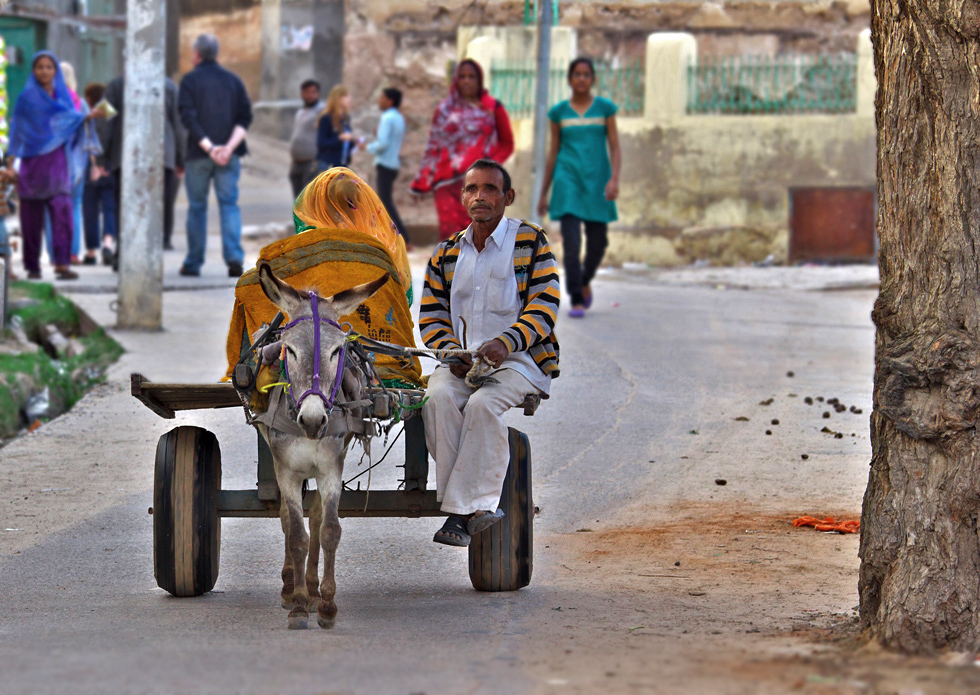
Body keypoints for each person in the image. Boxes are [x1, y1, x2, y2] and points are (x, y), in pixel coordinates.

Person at [420, 159, 560, 546]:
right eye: (471, 189)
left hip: (520, 361)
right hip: (462, 363)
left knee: (483, 406)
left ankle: (462, 513)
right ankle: (472, 509)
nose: (479, 196)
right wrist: (451, 352)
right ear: (463, 196)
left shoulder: (530, 241)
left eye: (490, 189)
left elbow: (545, 306)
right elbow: (431, 317)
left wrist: (507, 342)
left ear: (507, 197)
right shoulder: (446, 252)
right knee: (437, 399)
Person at [537, 57, 621, 318]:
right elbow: (553, 153)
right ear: (570, 78)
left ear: (592, 79)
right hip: (568, 180)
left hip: (597, 181)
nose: (582, 79)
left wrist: (614, 179)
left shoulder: (605, 109)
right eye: (577, 74)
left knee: (598, 243)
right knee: (572, 244)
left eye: (586, 74)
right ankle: (576, 298)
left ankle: (584, 281)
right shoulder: (559, 112)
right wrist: (544, 192)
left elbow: (615, 147)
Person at [7, 51, 102, 280]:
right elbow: (17, 131)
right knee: (30, 220)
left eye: (49, 67)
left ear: (56, 71)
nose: (45, 71)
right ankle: (33, 266)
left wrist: (88, 118)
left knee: (63, 213)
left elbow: (72, 121)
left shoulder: (63, 97)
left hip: (57, 165)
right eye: (40, 67)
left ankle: (62, 263)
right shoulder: (27, 98)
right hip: (32, 165)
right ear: (33, 70)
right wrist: (11, 164)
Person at [411, 59, 514, 242]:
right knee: (451, 240)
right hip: (446, 184)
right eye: (462, 77)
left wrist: (489, 167)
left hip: (479, 186)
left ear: (479, 80)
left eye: (472, 77)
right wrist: (421, 183)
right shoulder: (444, 110)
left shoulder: (492, 108)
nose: (467, 81)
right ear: (456, 80)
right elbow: (433, 147)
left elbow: (507, 144)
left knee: (480, 235)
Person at [178, 33, 252, 278]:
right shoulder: (234, 81)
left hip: (199, 155)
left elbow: (188, 117)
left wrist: (210, 148)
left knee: (197, 208)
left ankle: (193, 263)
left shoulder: (189, 81)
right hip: (229, 155)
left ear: (197, 54)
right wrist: (228, 148)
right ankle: (234, 258)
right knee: (229, 205)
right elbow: (245, 117)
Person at [103, 73, 185, 264]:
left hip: (124, 157)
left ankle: (123, 253)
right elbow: (180, 125)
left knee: (124, 206)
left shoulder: (115, 86)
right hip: (161, 157)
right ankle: (151, 254)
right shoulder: (170, 87)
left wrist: (101, 156)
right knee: (155, 207)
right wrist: (181, 158)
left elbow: (104, 121)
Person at [366, 87, 410, 248]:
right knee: (384, 202)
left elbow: (383, 144)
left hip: (385, 163)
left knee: (385, 203)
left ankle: (403, 238)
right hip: (393, 164)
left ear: (389, 100)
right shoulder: (398, 118)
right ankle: (392, 238)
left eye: (382, 97)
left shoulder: (387, 117)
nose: (379, 100)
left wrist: (367, 146)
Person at [81, 83, 116, 266]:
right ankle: (108, 244)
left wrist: (95, 165)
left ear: (88, 98)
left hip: (91, 166)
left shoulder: (87, 115)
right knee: (110, 207)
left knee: (90, 210)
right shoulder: (111, 113)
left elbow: (87, 142)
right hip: (110, 165)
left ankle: (91, 252)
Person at [288, 79, 323, 198]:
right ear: (302, 94)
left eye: (313, 92)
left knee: (309, 202)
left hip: (312, 163)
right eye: (307, 92)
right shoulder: (301, 112)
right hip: (296, 163)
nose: (310, 95)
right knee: (298, 202)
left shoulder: (322, 111)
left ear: (318, 94)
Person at [316, 85, 359, 173]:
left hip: (342, 165)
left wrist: (355, 142)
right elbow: (321, 143)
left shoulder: (345, 118)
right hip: (327, 166)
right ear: (338, 99)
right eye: (346, 96)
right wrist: (339, 138)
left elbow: (345, 146)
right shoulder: (326, 118)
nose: (350, 99)